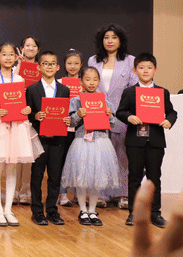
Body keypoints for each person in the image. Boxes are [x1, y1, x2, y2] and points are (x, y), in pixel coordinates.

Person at [0, 43, 43, 227]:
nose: (8, 58)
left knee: (12, 168)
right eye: (4, 54)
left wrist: (27, 109)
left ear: (16, 58)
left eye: (11, 55)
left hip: (16, 126)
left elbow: (23, 103)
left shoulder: (20, 79)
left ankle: (8, 210)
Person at [116, 52, 177, 228]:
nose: (145, 71)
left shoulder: (162, 92)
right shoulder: (129, 92)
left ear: (155, 70)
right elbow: (120, 112)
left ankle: (155, 214)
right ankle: (134, 213)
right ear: (135, 70)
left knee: (154, 177)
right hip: (135, 141)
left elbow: (172, 112)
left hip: (155, 141)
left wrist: (169, 121)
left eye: (149, 68)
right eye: (141, 67)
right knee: (134, 177)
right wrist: (129, 117)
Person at [61, 66, 120, 226]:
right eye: (87, 79)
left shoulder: (105, 102)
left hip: (101, 142)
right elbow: (70, 123)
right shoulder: (75, 101)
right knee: (82, 178)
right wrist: (78, 115)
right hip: (82, 141)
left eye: (95, 79)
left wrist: (109, 116)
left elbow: (113, 124)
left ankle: (92, 210)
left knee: (97, 178)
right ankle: (82, 209)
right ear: (81, 81)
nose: (91, 83)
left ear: (99, 81)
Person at [88, 23, 137, 210]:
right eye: (106, 37)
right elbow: (89, 85)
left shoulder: (130, 61)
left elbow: (133, 89)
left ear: (120, 40)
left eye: (114, 37)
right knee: (100, 156)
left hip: (121, 115)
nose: (110, 41)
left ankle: (122, 194)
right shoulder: (93, 60)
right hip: (97, 114)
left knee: (121, 156)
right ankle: (101, 194)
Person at [26, 51, 71, 225]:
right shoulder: (32, 89)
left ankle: (52, 210)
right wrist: (35, 116)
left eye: (53, 63)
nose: (49, 66)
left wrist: (67, 120)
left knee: (55, 176)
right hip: (39, 138)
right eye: (45, 63)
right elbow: (28, 114)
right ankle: (37, 211)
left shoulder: (64, 90)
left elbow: (66, 113)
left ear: (58, 67)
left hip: (58, 140)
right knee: (37, 175)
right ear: (39, 67)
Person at [13, 35, 41, 205]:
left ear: (38, 49)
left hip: (35, 113)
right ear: (21, 48)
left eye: (33, 46)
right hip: (18, 113)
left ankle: (25, 191)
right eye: (27, 45)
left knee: (29, 156)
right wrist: (19, 65)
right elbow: (11, 85)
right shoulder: (15, 67)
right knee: (16, 155)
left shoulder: (42, 67)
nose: (30, 48)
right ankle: (14, 191)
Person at [57, 49, 84, 207]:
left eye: (76, 63)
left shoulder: (85, 83)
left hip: (81, 128)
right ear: (64, 64)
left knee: (78, 162)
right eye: (69, 63)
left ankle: (78, 194)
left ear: (81, 64)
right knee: (62, 161)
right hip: (63, 127)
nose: (73, 66)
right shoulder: (59, 82)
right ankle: (62, 193)